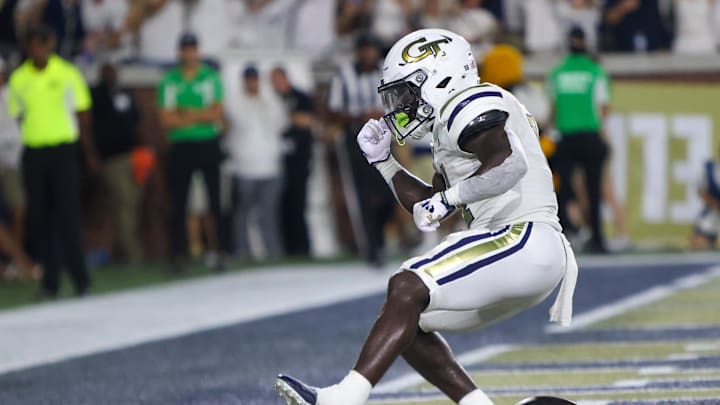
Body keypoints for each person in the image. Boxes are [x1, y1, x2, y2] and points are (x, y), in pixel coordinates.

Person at [275, 28, 578, 405]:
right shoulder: (448, 127)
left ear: (439, 78)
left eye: (405, 92)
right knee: (404, 320)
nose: (399, 105)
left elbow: (510, 163)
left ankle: (342, 399)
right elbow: (429, 208)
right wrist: (383, 162)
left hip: (522, 236)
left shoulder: (468, 101)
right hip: (518, 248)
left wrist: (451, 198)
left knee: (407, 287)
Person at [7, 26, 96, 297]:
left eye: (42, 45)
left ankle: (81, 281)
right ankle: (51, 283)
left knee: (68, 217)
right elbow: (17, 115)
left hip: (63, 151)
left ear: (50, 45)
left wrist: (89, 151)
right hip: (35, 153)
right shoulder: (19, 79)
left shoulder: (67, 73)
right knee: (40, 219)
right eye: (33, 45)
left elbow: (82, 113)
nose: (38, 50)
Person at [157, 32, 224, 271]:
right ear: (180, 52)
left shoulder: (210, 77)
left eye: (193, 48)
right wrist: (200, 115)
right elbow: (166, 120)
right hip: (181, 145)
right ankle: (179, 254)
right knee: (178, 201)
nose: (190, 53)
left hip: (207, 143)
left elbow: (215, 114)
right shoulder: (170, 80)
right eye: (185, 49)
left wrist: (186, 113)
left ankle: (220, 251)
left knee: (215, 200)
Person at [327, 33, 395, 267]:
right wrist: (361, 115)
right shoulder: (343, 76)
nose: (368, 54)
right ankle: (373, 248)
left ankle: (379, 237)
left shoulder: (385, 74)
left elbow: (398, 105)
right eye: (365, 50)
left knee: (389, 193)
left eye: (372, 49)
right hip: (356, 136)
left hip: (384, 135)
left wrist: (382, 115)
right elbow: (334, 111)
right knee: (365, 195)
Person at [547, 27, 610, 253]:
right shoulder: (594, 71)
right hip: (590, 134)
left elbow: (552, 108)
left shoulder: (557, 72)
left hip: (565, 136)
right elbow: (602, 106)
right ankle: (598, 239)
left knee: (563, 190)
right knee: (594, 190)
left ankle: (562, 238)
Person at [225, 65, 285, 259]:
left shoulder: (270, 100)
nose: (253, 83)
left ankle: (272, 249)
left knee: (268, 211)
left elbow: (281, 123)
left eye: (255, 79)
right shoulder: (234, 102)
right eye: (249, 79)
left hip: (270, 164)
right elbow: (238, 124)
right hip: (244, 165)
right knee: (243, 211)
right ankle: (243, 249)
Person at [91, 62, 142, 263]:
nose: (111, 74)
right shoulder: (95, 95)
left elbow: (137, 121)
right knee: (124, 203)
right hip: (111, 158)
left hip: (132, 156)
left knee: (132, 204)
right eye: (106, 70)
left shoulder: (125, 93)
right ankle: (133, 253)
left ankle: (129, 249)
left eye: (113, 70)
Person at [271, 67, 314, 257]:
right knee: (282, 204)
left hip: (299, 158)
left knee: (298, 202)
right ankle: (287, 248)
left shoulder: (300, 97)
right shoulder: (272, 99)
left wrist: (287, 118)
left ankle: (303, 247)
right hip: (279, 160)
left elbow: (308, 121)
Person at [690, 149, 720, 250]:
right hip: (714, 212)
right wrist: (714, 204)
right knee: (699, 242)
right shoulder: (710, 169)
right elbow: (702, 190)